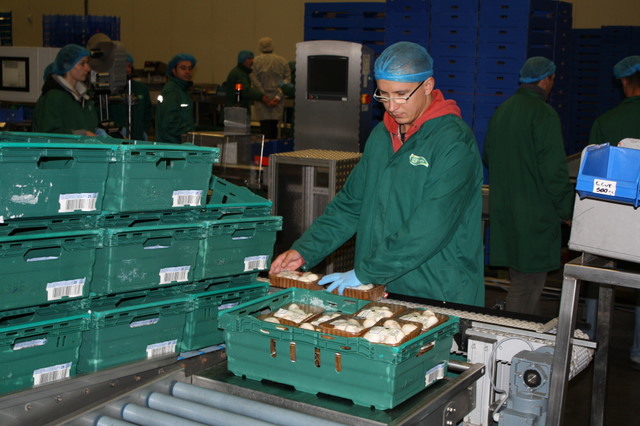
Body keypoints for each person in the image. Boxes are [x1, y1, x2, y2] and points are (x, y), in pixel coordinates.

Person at [270, 42, 485, 306]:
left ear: (428, 85)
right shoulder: (382, 136)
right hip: (380, 285)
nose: (392, 106)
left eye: (401, 94)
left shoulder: (453, 142)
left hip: (436, 290)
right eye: (383, 95)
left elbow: (430, 226)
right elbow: (350, 205)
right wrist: (305, 250)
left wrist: (366, 272)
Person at [483, 56, 574, 315]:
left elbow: (488, 156)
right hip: (535, 217)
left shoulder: (503, 111)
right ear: (546, 79)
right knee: (527, 285)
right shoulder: (544, 114)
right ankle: (513, 333)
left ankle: (520, 329)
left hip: (506, 212)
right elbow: (554, 172)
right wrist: (568, 211)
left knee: (520, 279)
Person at [585, 55, 640, 370]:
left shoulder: (606, 121)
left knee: (599, 273)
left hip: (611, 215)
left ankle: (592, 338)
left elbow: (593, 176)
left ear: (623, 82)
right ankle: (638, 349)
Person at [33, 44, 100, 136]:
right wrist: (81, 134)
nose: (88, 68)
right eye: (82, 64)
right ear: (67, 65)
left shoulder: (84, 98)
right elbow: (48, 135)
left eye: (87, 63)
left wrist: (97, 132)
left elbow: (87, 125)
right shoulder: (53, 97)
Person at [250, 37, 291, 139]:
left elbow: (255, 81)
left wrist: (264, 96)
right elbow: (286, 80)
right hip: (278, 100)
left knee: (264, 127)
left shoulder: (255, 62)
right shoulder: (282, 61)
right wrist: (277, 97)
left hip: (261, 100)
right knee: (274, 127)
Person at [109, 53, 152, 140]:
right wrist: (117, 131)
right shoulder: (109, 90)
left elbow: (148, 112)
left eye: (129, 66)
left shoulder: (141, 88)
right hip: (116, 138)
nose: (127, 69)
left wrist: (143, 129)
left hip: (138, 136)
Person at [155, 53, 197, 143]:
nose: (187, 72)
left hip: (179, 144)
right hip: (172, 145)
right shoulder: (172, 91)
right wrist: (190, 133)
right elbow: (170, 123)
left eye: (190, 68)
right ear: (173, 70)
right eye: (183, 68)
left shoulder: (182, 90)